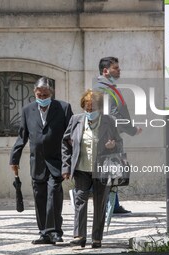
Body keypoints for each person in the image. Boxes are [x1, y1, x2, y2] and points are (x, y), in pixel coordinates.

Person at [9, 77, 73, 245]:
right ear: (34, 93)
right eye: (40, 94)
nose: (43, 97)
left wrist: (70, 161)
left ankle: (55, 231)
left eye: (46, 95)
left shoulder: (64, 108)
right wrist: (14, 158)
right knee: (40, 197)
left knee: (53, 195)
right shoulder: (27, 110)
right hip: (37, 162)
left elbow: (71, 136)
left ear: (51, 93)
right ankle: (44, 233)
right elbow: (22, 136)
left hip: (57, 162)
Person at [62, 89, 123, 248]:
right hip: (81, 168)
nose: (89, 112)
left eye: (92, 109)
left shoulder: (108, 121)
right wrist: (66, 167)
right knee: (80, 199)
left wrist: (113, 145)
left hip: (101, 169)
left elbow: (119, 143)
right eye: (87, 109)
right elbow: (65, 143)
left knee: (99, 203)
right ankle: (79, 235)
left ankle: (97, 238)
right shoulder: (76, 120)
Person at [94, 56, 142, 214]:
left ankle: (113, 205)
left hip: (114, 134)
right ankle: (107, 205)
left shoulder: (110, 87)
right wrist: (132, 129)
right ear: (105, 71)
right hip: (108, 136)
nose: (119, 70)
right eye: (116, 68)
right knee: (109, 170)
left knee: (114, 170)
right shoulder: (101, 89)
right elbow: (111, 114)